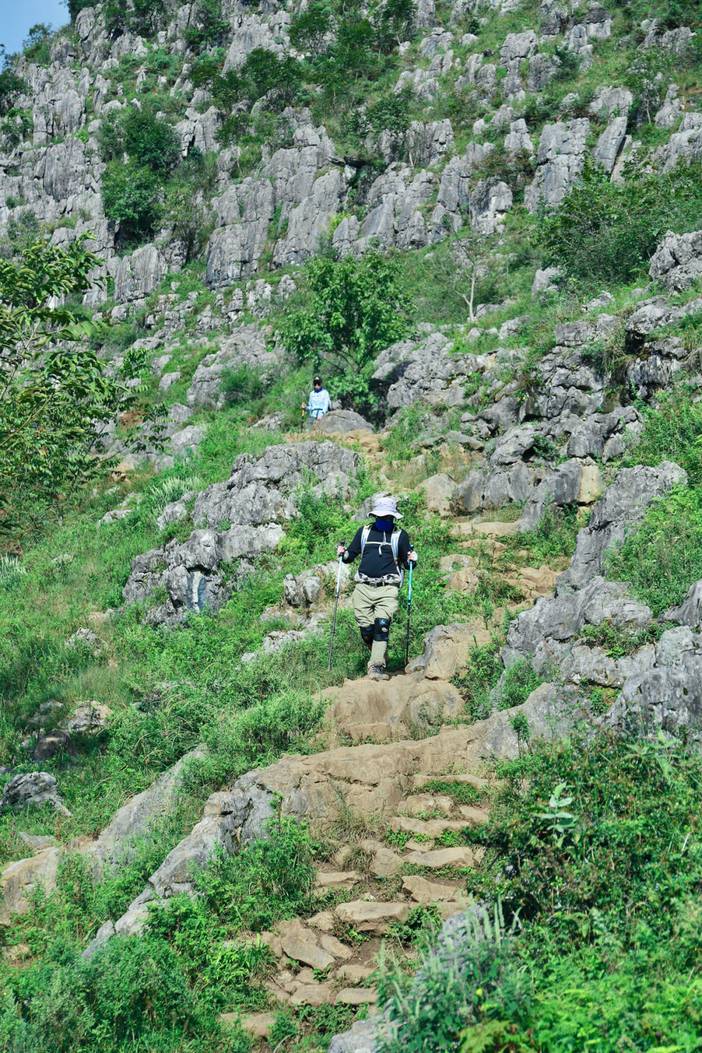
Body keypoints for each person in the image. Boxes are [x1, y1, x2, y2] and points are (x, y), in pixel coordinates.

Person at [337, 495, 417, 681]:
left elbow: (407, 564)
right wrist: (343, 553)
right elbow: (350, 555)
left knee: (382, 626)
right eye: (381, 517)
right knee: (367, 631)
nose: (384, 520)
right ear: (375, 516)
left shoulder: (400, 536)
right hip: (363, 587)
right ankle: (379, 653)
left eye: (388, 518)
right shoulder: (364, 532)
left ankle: (376, 666)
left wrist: (413, 560)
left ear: (393, 518)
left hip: (388, 588)